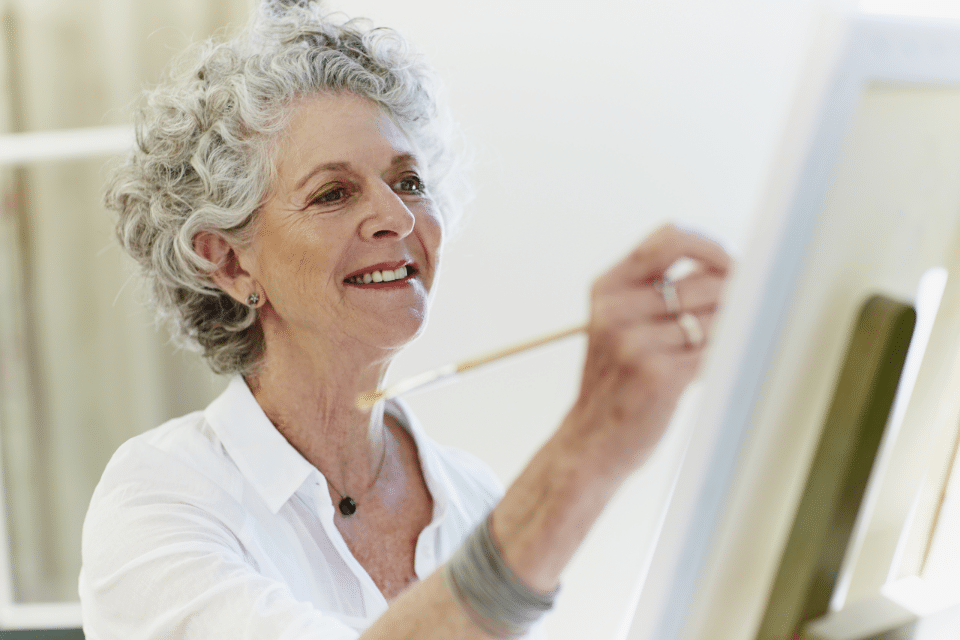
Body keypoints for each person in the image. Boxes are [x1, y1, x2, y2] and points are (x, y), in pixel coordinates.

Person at [79, 2, 731, 638]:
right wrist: (591, 447)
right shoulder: (160, 499)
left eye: (409, 181)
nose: (396, 216)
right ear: (229, 263)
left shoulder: (472, 494)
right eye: (333, 192)